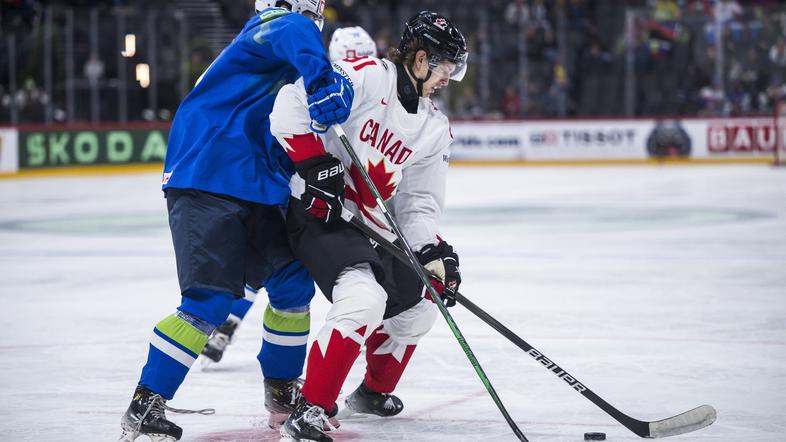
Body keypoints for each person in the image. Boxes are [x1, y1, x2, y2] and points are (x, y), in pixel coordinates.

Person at [118, 1, 354, 440]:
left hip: (255, 187)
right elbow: (293, 31)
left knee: (291, 284)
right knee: (208, 302)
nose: (316, 16)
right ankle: (146, 401)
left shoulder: (275, 57)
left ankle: (282, 392)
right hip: (208, 177)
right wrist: (323, 79)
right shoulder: (275, 26)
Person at [269, 10, 467, 441]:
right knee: (364, 298)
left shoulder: (434, 128)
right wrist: (315, 164)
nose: (448, 79)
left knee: (422, 301)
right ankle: (310, 411)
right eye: (446, 69)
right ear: (420, 60)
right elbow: (289, 105)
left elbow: (418, 203)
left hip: (375, 229)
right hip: (322, 214)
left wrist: (432, 251)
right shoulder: (364, 77)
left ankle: (371, 393)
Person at [201, 24, 378, 367]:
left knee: (269, 263)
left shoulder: (325, 76)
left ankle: (228, 323)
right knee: (286, 265)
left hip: (301, 183)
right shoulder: (353, 83)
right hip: (312, 189)